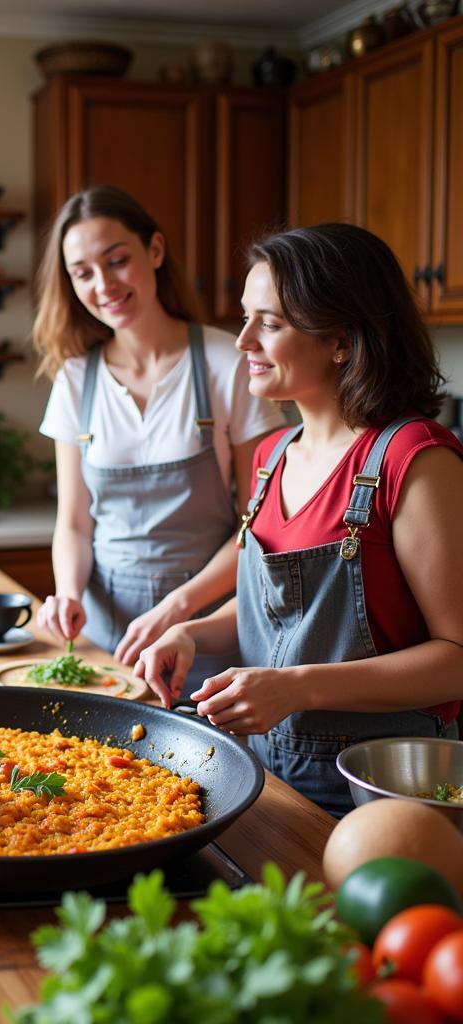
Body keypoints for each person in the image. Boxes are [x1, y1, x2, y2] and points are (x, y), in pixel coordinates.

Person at [136, 222, 463, 817]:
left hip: (378, 789)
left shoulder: (414, 459)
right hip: (265, 770)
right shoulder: (273, 455)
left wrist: (297, 687)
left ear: (341, 338)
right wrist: (190, 633)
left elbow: (456, 658)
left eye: (270, 323)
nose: (242, 343)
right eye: (245, 318)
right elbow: (281, 617)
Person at [33, 187, 285, 686]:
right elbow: (75, 524)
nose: (103, 284)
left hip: (208, 629)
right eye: (83, 272)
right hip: (109, 639)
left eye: (117, 260)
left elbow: (258, 526)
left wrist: (178, 607)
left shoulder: (228, 362)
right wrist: (68, 593)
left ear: (155, 251)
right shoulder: (75, 379)